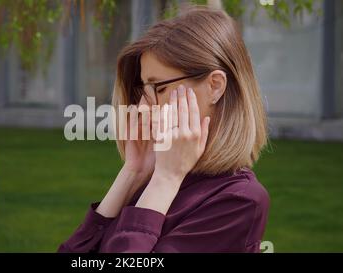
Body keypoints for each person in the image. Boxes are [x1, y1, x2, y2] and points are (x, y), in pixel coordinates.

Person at [58, 6, 269, 253]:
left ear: (214, 86)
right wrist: (132, 173)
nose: (145, 107)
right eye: (142, 91)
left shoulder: (238, 200)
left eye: (158, 89)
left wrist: (165, 181)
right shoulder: (155, 177)